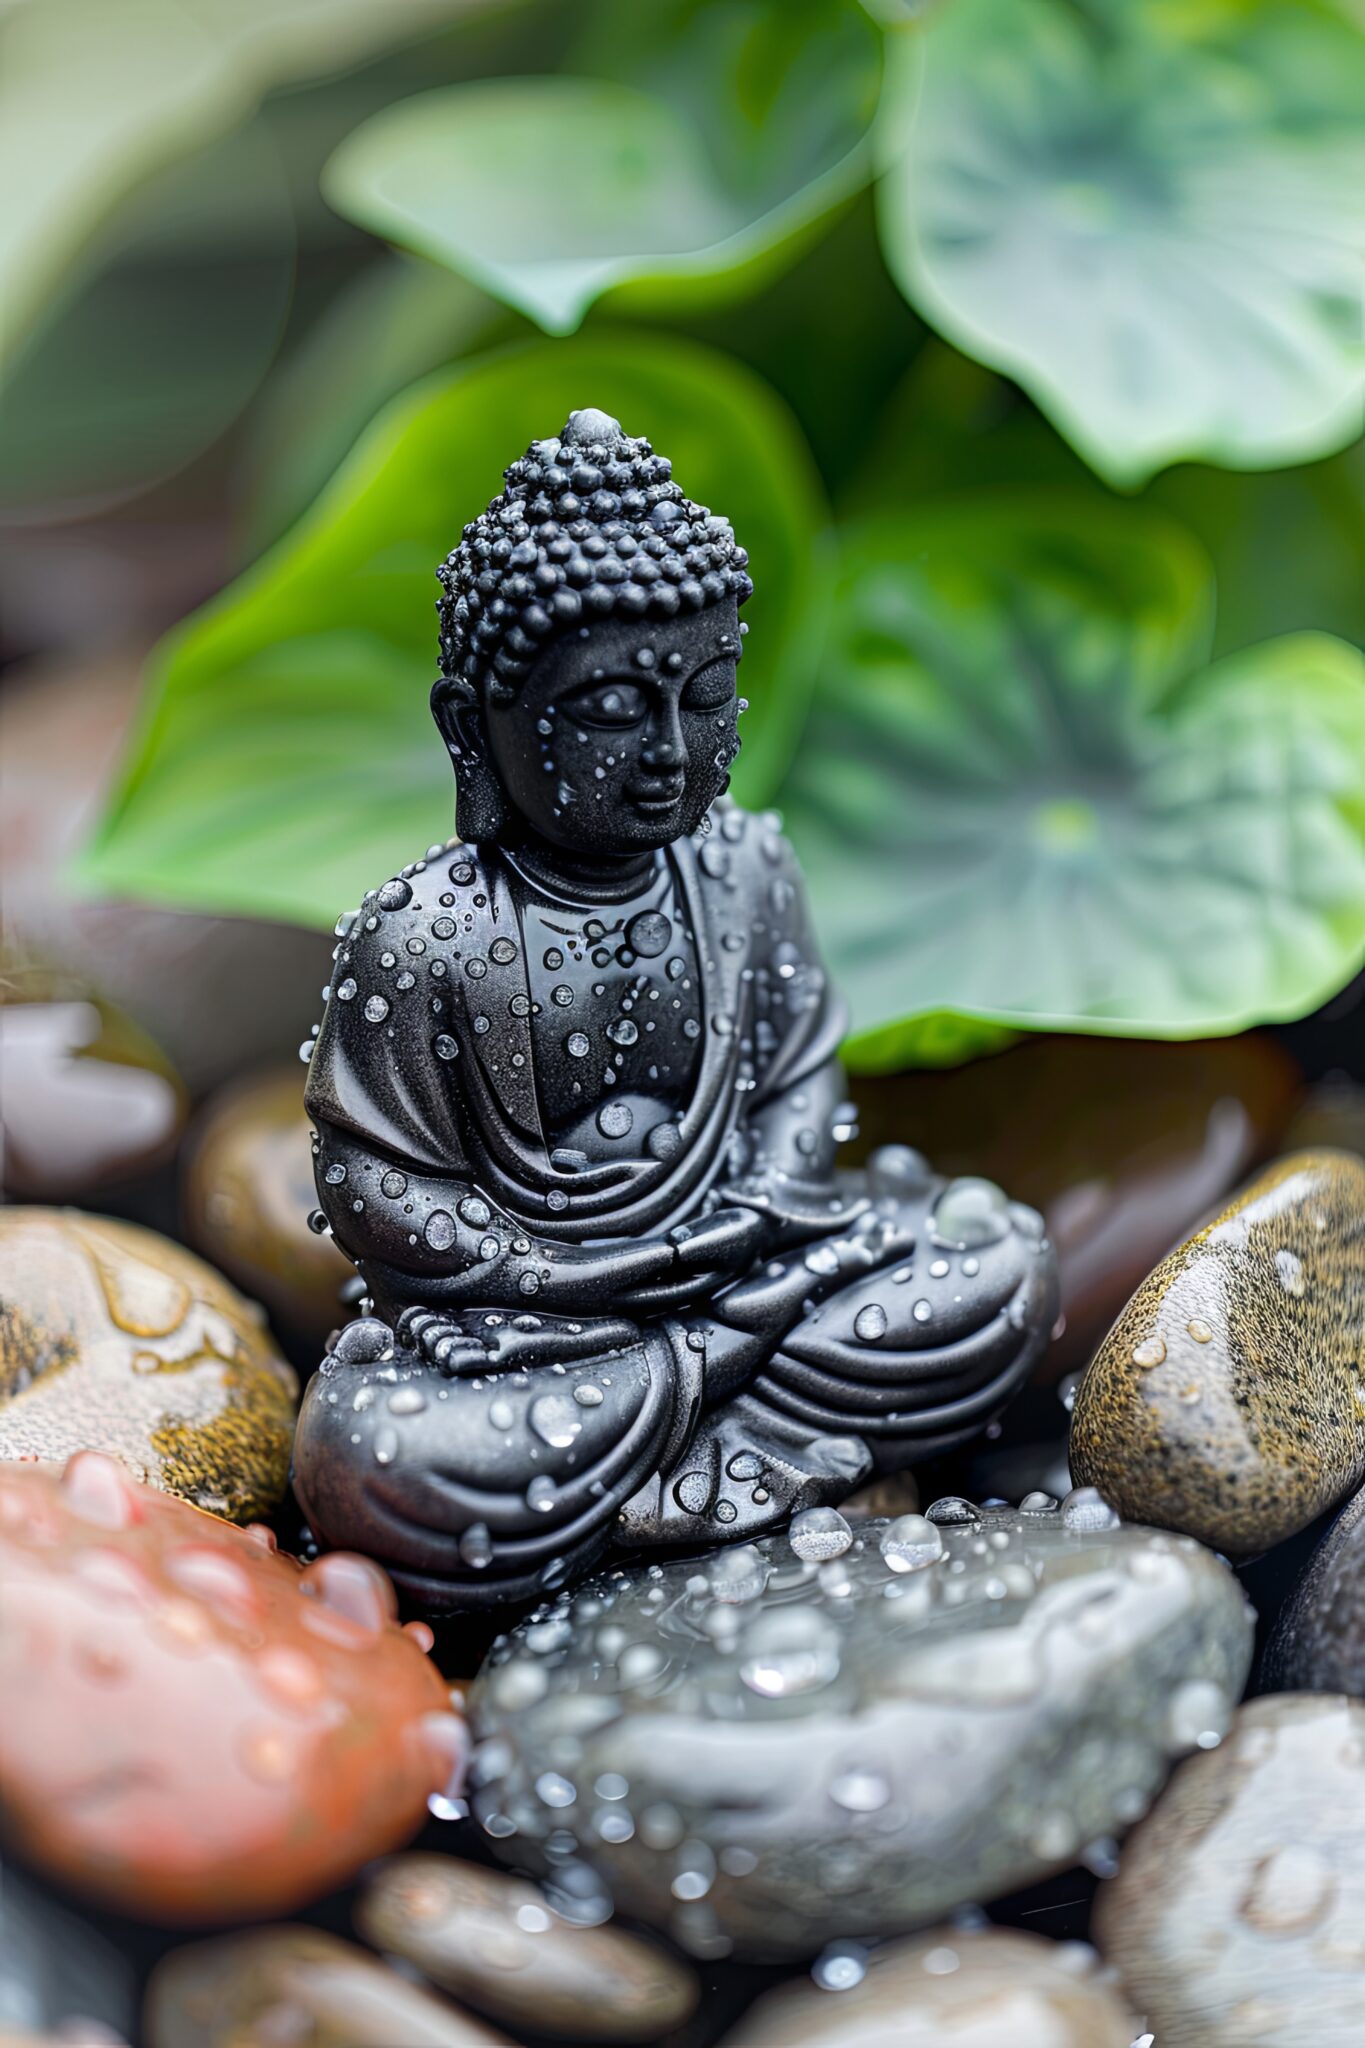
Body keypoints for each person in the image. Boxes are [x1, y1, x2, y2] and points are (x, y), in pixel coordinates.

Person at [292, 409, 1056, 1610]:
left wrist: (762, 1205)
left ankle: (667, 1440)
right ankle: (723, 1419)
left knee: (995, 1261)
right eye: (605, 710)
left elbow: (801, 1074)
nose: (665, 749)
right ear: (469, 725)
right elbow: (374, 1184)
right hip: (536, 1318)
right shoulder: (425, 930)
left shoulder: (747, 867)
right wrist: (539, 1279)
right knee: (382, 1451)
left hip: (744, 1261)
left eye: (704, 697)